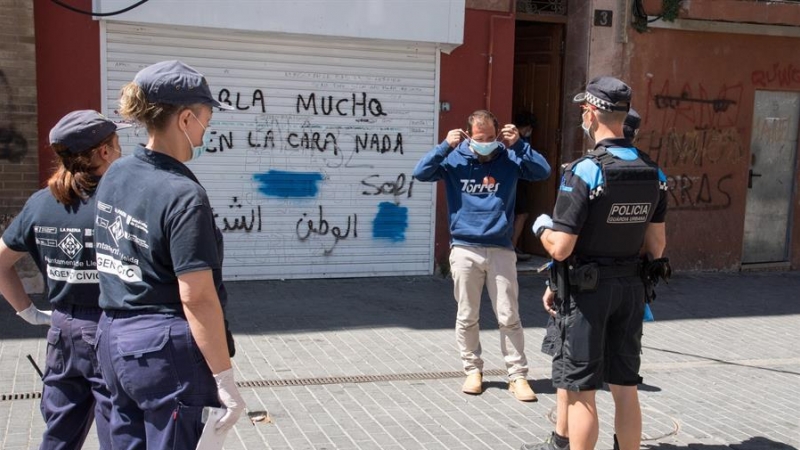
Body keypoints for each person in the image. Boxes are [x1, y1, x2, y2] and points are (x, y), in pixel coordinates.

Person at [93, 60, 245, 449]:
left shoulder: (117, 173)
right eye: (207, 119)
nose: (207, 130)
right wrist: (224, 380)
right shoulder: (183, 195)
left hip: (112, 340)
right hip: (163, 354)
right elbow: (197, 296)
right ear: (186, 119)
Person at [523, 77, 667, 450]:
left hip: (588, 294)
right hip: (632, 290)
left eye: (583, 112)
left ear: (590, 112)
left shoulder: (586, 170)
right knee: (625, 386)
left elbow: (561, 248)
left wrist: (541, 228)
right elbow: (657, 245)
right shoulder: (654, 173)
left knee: (583, 390)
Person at [0, 110, 130, 449]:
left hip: (62, 331)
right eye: (117, 145)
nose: (120, 152)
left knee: (59, 435)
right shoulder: (121, 203)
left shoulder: (40, 203)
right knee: (119, 434)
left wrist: (28, 312)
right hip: (109, 329)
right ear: (104, 152)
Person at [413, 110, 551, 401]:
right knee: (467, 316)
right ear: (467, 135)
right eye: (479, 138)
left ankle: (517, 376)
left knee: (509, 315)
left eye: (491, 137)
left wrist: (521, 145)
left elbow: (543, 172)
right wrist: (444, 146)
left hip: (501, 248)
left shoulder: (510, 157)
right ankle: (472, 370)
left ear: (499, 133)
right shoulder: (454, 158)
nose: (486, 143)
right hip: (464, 247)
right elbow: (421, 172)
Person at [511, 111, 538, 262]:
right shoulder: (520, 142)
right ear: (527, 127)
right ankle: (512, 248)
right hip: (520, 181)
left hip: (517, 181)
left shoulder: (516, 139)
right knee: (521, 214)